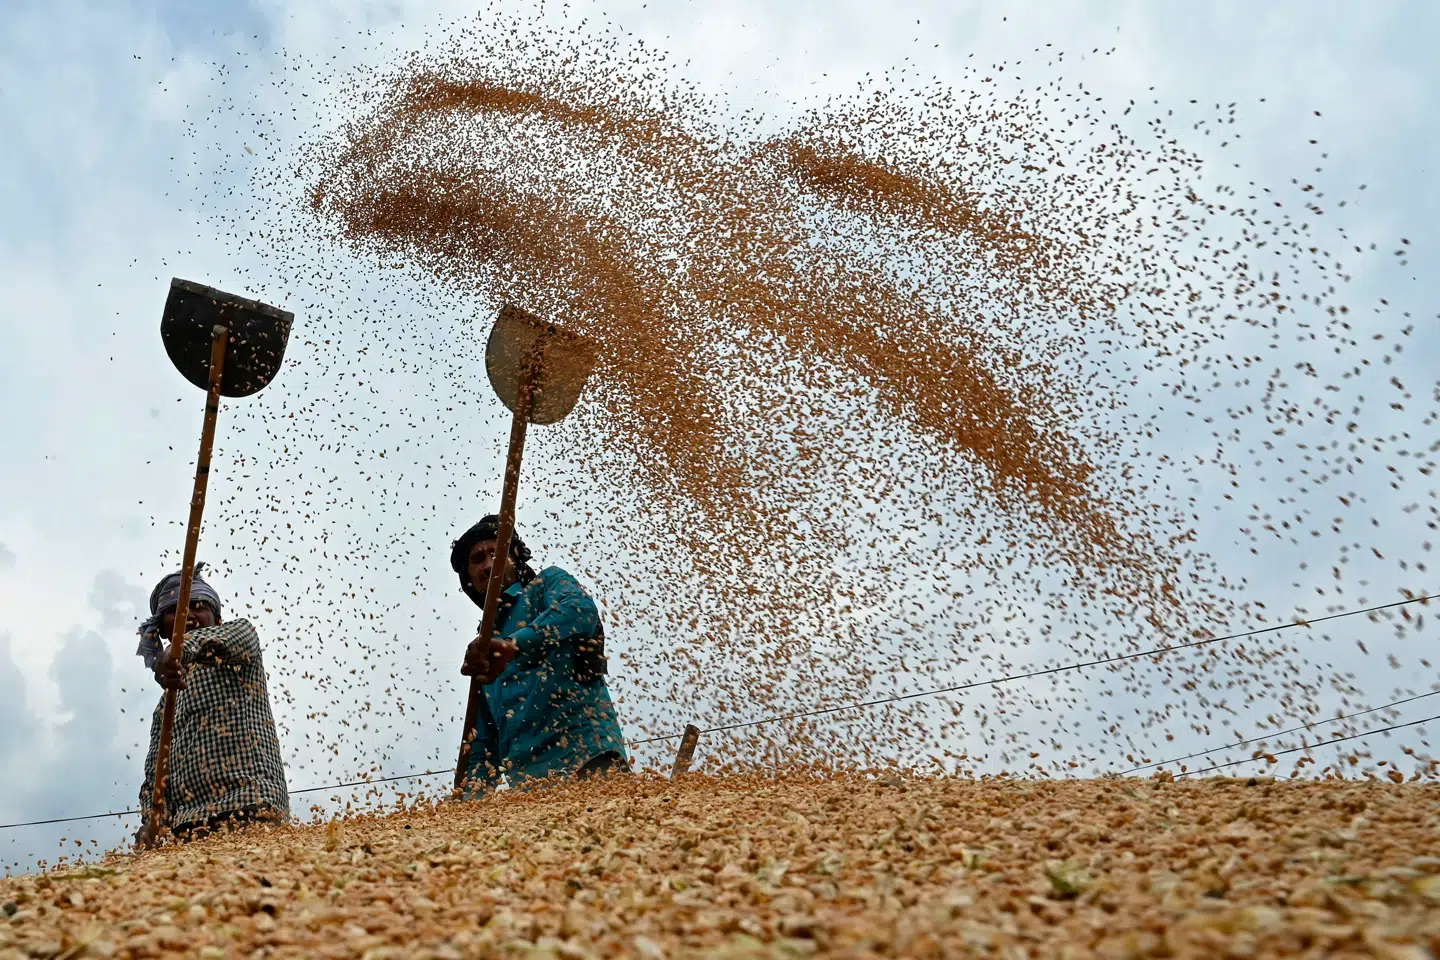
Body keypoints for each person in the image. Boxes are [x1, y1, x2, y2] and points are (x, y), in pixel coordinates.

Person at [451, 516, 629, 799]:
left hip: (588, 762)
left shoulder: (547, 585)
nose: (488, 565)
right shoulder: (481, 655)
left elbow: (579, 610)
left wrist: (514, 645)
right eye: (478, 559)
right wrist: (467, 806)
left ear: (515, 558)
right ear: (470, 579)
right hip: (531, 791)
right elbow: (483, 749)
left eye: (497, 553)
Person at [134, 563, 289, 846]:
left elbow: (241, 635)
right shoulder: (165, 705)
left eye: (198, 606)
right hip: (188, 829)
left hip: (250, 810)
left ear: (217, 619)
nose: (188, 614)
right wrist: (152, 821)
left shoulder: (238, 654)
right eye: (175, 611)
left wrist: (182, 648)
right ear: (163, 629)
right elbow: (156, 774)